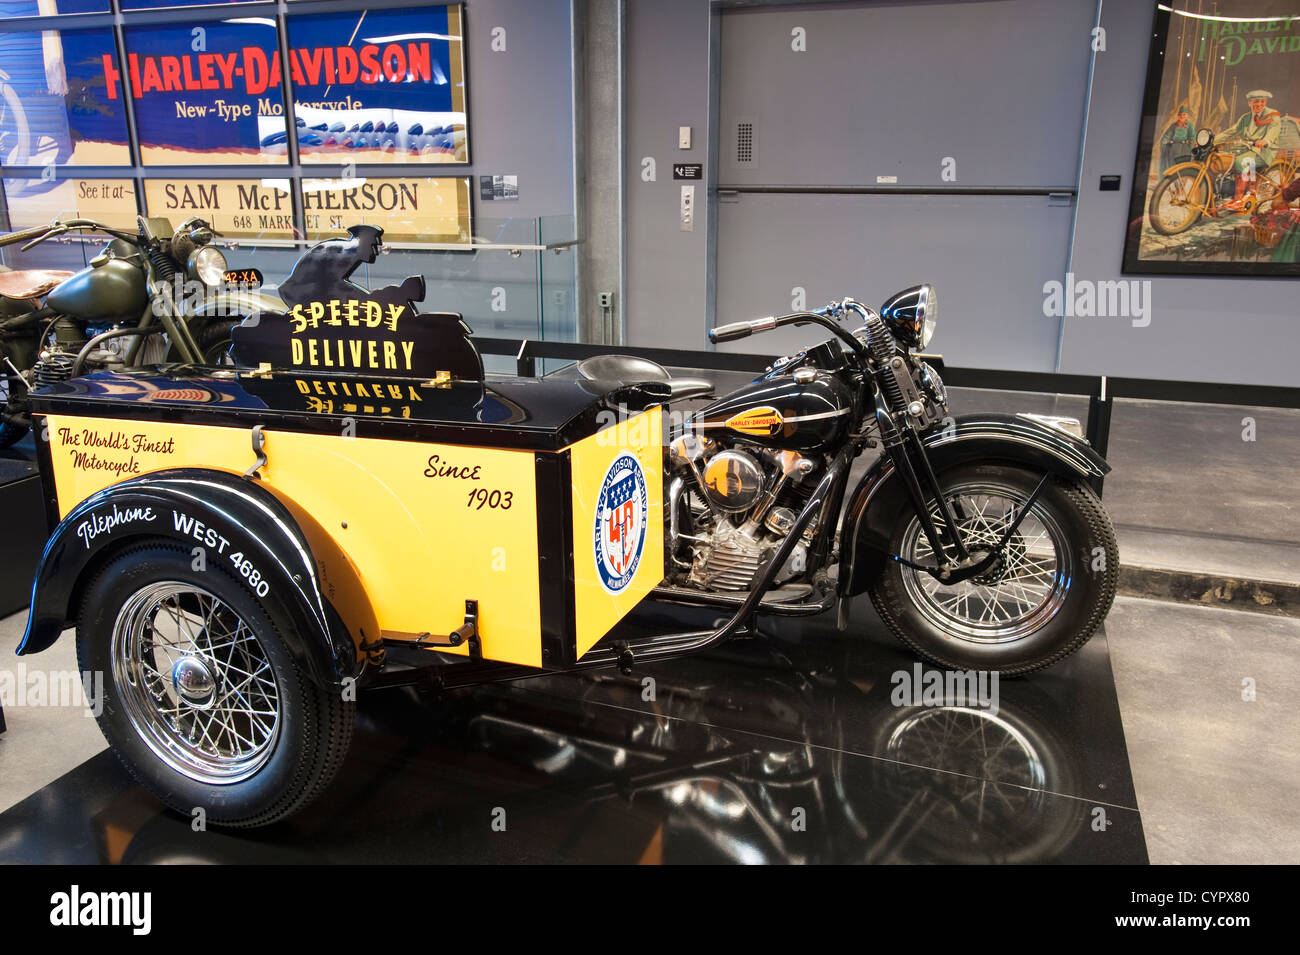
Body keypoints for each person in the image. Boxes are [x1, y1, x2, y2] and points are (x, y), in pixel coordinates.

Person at [1218, 90, 1281, 211]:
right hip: (1247, 148)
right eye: (1255, 102)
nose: (1259, 105)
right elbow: (1231, 131)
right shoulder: (1245, 118)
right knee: (1224, 158)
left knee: (1242, 162)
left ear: (1265, 102)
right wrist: (1212, 139)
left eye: (1262, 102)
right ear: (1249, 103)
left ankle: (1238, 199)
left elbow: (1273, 131)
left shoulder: (1272, 115)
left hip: (1264, 151)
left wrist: (1266, 141)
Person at [1159, 104, 1195, 171]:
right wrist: (1163, 145)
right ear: (1178, 116)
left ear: (1187, 115)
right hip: (1173, 148)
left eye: (1184, 114)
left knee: (1182, 168)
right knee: (1173, 167)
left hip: (1184, 149)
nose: (1182, 116)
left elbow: (1192, 138)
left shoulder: (1189, 126)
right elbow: (1166, 136)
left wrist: (1192, 150)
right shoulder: (1174, 126)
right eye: (1180, 114)